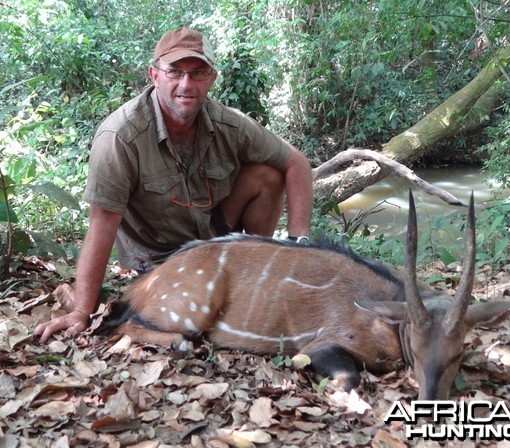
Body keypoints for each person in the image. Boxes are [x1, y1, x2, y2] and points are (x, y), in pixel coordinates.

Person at [35, 27, 313, 343]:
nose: (186, 84)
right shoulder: (120, 137)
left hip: (213, 236)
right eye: (175, 72)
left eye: (197, 74)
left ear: (212, 78)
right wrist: (81, 313)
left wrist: (297, 246)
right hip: (159, 257)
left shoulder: (229, 123)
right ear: (154, 75)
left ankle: (254, 269)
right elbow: (101, 225)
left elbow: (297, 163)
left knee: (268, 174)